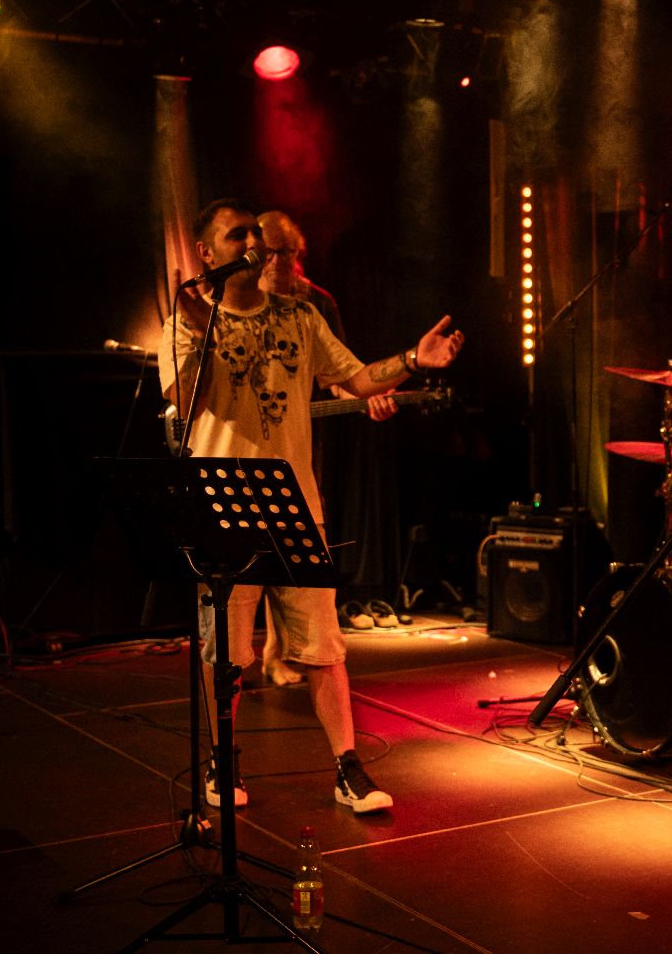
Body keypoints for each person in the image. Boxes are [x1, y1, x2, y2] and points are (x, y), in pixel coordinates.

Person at [159, 198, 465, 814]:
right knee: (226, 656)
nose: (253, 244)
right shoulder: (184, 324)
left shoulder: (299, 317)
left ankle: (347, 770)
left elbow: (357, 378)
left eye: (256, 234)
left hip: (296, 508)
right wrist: (201, 328)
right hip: (222, 513)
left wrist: (412, 360)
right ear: (207, 253)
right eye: (238, 235)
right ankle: (222, 763)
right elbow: (184, 399)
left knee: (324, 650)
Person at [255, 210, 398, 688]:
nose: (278, 261)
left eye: (287, 253)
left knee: (292, 545)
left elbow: (339, 374)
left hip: (298, 438)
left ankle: (279, 650)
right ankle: (260, 653)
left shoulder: (315, 304)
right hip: (252, 438)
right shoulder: (241, 300)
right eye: (269, 252)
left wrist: (365, 397)